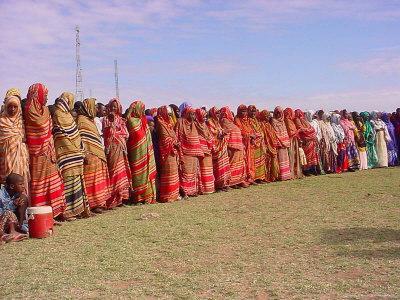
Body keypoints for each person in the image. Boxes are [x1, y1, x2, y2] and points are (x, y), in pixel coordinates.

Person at [24, 83, 66, 219]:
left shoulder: (46, 110)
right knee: (39, 185)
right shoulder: (29, 110)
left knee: (53, 182)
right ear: (38, 95)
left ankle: (53, 213)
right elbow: (41, 129)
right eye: (45, 95)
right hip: (37, 155)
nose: (47, 99)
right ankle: (40, 215)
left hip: (49, 153)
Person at [53, 92, 90, 220]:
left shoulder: (68, 115)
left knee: (77, 182)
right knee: (68, 182)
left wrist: (81, 150)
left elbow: (76, 134)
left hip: (76, 154)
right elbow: (61, 134)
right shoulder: (58, 114)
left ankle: (78, 209)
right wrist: (74, 150)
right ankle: (68, 211)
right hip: (66, 154)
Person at [76, 98, 111, 213]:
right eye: (95, 107)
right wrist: (84, 154)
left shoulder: (90, 120)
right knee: (92, 181)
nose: (96, 109)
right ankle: (93, 204)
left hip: (98, 154)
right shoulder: (81, 120)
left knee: (98, 180)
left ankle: (100, 203)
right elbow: (80, 139)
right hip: (89, 155)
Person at [126, 100, 157, 204]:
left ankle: (148, 197)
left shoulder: (144, 121)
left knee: (148, 174)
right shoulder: (130, 121)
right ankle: (138, 197)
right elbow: (133, 136)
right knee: (137, 174)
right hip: (136, 153)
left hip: (147, 152)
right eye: (141, 109)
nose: (143, 111)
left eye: (144, 109)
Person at [103, 99, 132, 208]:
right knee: (113, 172)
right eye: (112, 106)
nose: (114, 108)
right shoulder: (106, 119)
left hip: (121, 149)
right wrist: (115, 129)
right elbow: (108, 132)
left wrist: (119, 133)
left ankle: (120, 199)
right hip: (112, 149)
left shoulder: (121, 120)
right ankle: (112, 200)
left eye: (116, 106)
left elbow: (126, 134)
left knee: (121, 173)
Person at [0, 95, 30, 192]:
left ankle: (22, 203)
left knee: (21, 181)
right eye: (9, 106)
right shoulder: (2, 121)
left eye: (15, 107)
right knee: (8, 181)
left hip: (21, 158)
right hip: (6, 158)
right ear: (6, 107)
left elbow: (24, 138)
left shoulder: (21, 122)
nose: (12, 109)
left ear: (18, 108)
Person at [175, 106, 203, 197]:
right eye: (191, 114)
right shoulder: (180, 122)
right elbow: (177, 135)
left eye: (194, 114)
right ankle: (184, 191)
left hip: (194, 153)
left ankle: (192, 190)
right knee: (185, 173)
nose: (193, 116)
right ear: (186, 113)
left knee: (193, 172)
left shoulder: (194, 124)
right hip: (184, 152)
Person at [155, 106, 180, 202]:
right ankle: (168, 195)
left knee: (174, 171)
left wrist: (176, 141)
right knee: (168, 171)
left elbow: (173, 135)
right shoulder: (161, 123)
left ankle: (174, 194)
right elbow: (164, 139)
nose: (170, 116)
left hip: (173, 150)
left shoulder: (169, 124)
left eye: (170, 114)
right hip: (167, 151)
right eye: (168, 114)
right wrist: (174, 142)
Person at [220, 107, 248, 188]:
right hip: (232, 147)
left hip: (238, 146)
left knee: (238, 164)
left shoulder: (230, 122)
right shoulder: (224, 121)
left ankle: (237, 181)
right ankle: (232, 182)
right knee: (232, 165)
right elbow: (226, 133)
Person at [206, 107, 230, 191]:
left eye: (219, 113)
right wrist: (222, 133)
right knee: (218, 167)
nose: (218, 114)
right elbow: (211, 133)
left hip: (222, 146)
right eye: (216, 113)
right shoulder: (209, 122)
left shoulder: (217, 123)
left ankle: (224, 184)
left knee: (224, 166)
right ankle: (219, 185)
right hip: (216, 147)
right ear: (212, 113)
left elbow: (219, 131)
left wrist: (223, 133)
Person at [0, 174, 28, 242]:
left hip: (10, 223)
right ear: (12, 186)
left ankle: (17, 229)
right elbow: (2, 211)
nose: (23, 186)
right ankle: (3, 235)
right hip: (1, 221)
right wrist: (13, 204)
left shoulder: (17, 194)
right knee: (8, 213)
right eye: (21, 184)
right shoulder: (1, 194)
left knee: (23, 198)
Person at [195, 108, 215, 194]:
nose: (204, 118)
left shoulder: (205, 125)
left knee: (208, 170)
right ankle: (202, 189)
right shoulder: (195, 125)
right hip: (201, 151)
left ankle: (209, 188)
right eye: (203, 116)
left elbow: (209, 135)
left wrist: (210, 142)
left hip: (207, 150)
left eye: (205, 116)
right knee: (202, 170)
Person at [234, 105, 256, 184]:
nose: (244, 113)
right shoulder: (237, 120)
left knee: (250, 160)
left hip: (249, 143)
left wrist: (253, 135)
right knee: (245, 161)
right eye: (242, 111)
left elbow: (250, 129)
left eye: (245, 111)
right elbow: (240, 131)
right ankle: (245, 178)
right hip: (243, 143)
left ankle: (251, 177)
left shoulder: (247, 120)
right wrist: (249, 135)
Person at [294, 109, 318, 175]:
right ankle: (306, 170)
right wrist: (310, 131)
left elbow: (312, 129)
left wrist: (309, 131)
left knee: (312, 156)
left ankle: (311, 169)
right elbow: (300, 129)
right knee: (306, 156)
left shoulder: (304, 120)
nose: (300, 114)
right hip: (305, 141)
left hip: (310, 140)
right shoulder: (297, 120)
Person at [258, 110, 280, 182]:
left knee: (273, 161)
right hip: (266, 146)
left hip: (272, 145)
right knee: (267, 162)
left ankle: (273, 176)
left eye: (268, 116)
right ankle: (267, 177)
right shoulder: (261, 124)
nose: (268, 117)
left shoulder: (268, 124)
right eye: (266, 116)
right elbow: (263, 136)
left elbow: (273, 135)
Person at [271, 106, 291, 180]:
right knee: (280, 159)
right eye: (277, 113)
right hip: (279, 144)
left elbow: (285, 132)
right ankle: (281, 176)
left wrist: (286, 142)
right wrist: (282, 142)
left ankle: (287, 175)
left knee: (285, 159)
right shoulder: (273, 121)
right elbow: (275, 133)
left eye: (280, 113)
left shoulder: (283, 121)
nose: (278, 114)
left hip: (284, 144)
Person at [248, 105, 267, 183]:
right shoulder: (248, 120)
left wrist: (260, 135)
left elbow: (260, 130)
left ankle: (260, 178)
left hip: (260, 143)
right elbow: (250, 132)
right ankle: (255, 178)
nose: (253, 113)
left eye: (254, 112)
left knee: (261, 161)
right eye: (252, 111)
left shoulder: (256, 120)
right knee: (254, 162)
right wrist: (257, 136)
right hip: (253, 144)